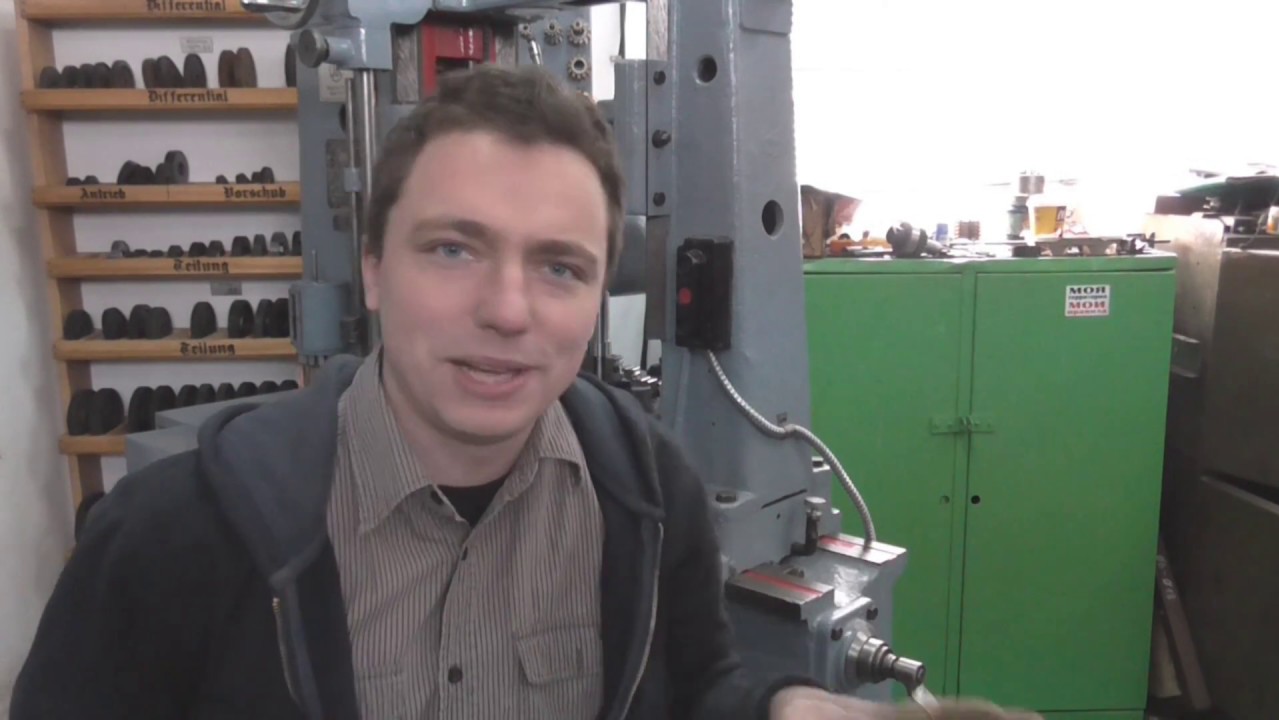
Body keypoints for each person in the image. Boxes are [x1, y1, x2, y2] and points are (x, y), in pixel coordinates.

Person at [12, 64, 1038, 720]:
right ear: (371, 269)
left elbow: (694, 692)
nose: (508, 311)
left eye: (558, 267)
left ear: (597, 297)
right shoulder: (175, 536)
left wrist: (779, 708)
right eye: (453, 249)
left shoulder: (648, 497)